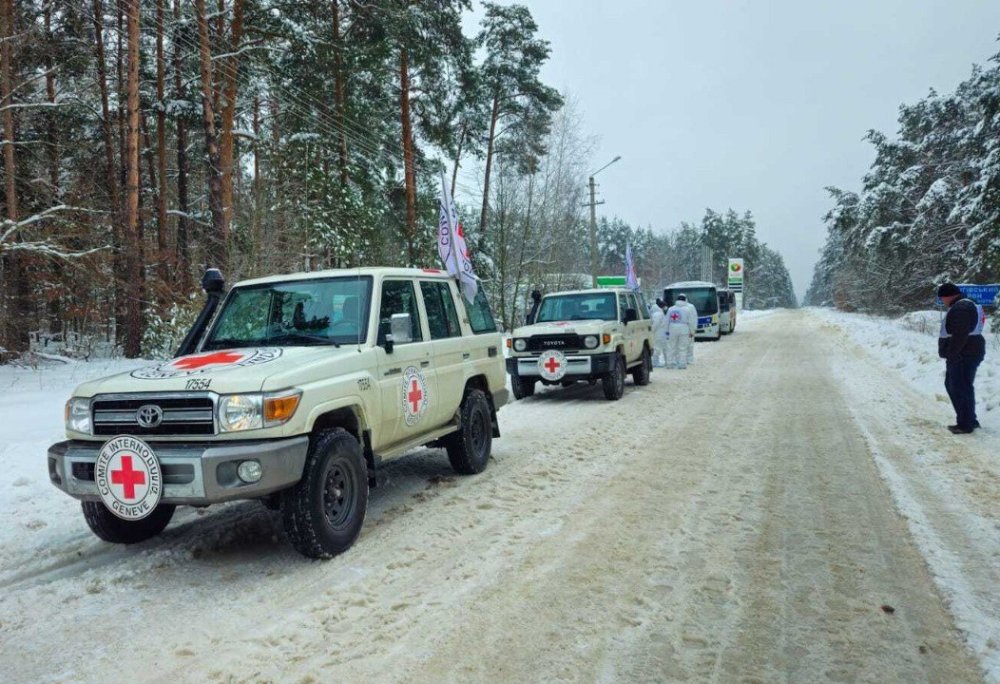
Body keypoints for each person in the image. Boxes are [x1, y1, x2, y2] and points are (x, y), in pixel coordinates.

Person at [937, 282, 986, 434]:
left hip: (963, 354)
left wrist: (952, 354)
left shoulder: (961, 308)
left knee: (958, 387)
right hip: (968, 351)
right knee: (960, 386)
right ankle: (969, 419)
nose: (942, 302)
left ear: (947, 296)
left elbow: (960, 334)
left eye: (942, 298)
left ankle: (965, 424)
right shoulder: (966, 304)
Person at [665, 295, 694, 369]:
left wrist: (666, 331)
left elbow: (667, 321)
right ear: (685, 300)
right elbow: (691, 322)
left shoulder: (671, 309)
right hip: (684, 329)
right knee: (683, 347)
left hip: (672, 328)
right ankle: (682, 364)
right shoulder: (688, 309)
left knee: (671, 346)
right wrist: (691, 332)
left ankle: (669, 363)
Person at [679, 294, 698, 366]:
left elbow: (693, 318)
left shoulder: (690, 307)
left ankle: (686, 359)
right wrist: (693, 330)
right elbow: (694, 319)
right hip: (687, 329)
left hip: (685, 329)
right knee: (688, 345)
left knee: (685, 345)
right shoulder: (690, 307)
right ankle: (687, 360)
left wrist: (693, 329)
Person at [650, 298, 668, 367]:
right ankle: (655, 362)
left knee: (664, 348)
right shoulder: (658, 314)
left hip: (661, 334)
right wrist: (652, 332)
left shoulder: (659, 313)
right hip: (658, 334)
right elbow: (655, 325)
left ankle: (667, 361)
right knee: (657, 348)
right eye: (665, 306)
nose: (666, 308)